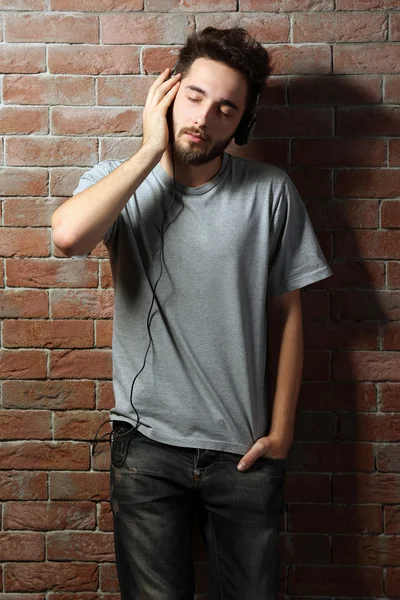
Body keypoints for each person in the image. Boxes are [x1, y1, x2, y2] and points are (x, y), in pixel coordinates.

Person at [51, 26, 332, 600]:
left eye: (227, 108)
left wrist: (281, 433)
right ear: (170, 92)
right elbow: (69, 236)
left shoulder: (269, 193)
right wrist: (151, 150)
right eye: (196, 96)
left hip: (244, 452)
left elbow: (289, 317)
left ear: (242, 122)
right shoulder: (117, 181)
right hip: (146, 449)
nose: (206, 117)